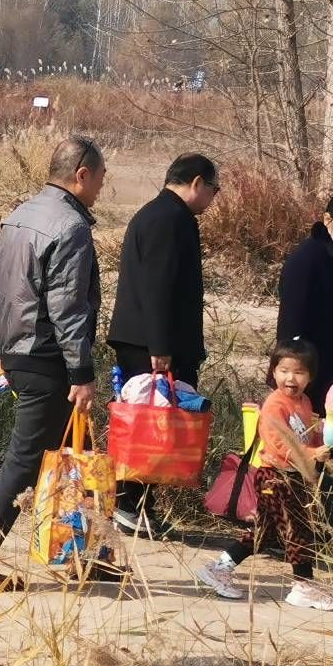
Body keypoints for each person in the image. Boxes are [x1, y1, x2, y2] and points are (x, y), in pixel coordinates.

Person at [0, 135, 116, 592]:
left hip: (18, 353)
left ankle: (84, 553)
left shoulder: (19, 216)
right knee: (25, 462)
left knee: (77, 453)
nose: (102, 188)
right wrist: (81, 373)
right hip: (47, 361)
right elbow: (68, 308)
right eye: (101, 179)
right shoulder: (70, 228)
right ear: (82, 175)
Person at [105, 152, 220, 537]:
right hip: (151, 345)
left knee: (156, 425)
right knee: (147, 425)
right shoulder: (169, 219)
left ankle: (140, 506)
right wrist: (160, 345)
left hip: (150, 340)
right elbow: (158, 285)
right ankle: (128, 504)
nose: (212, 199)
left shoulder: (162, 214)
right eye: (213, 190)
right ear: (197, 183)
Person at [194, 340, 333, 609]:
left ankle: (219, 568)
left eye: (299, 372)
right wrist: (310, 454)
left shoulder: (303, 402)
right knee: (297, 529)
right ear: (273, 372)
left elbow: (303, 433)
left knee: (264, 532)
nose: (290, 378)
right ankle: (303, 586)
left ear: (310, 377)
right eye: (284, 370)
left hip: (291, 475)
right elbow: (279, 443)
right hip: (274, 476)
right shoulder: (275, 405)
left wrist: (323, 434)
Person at [277, 191, 333, 409]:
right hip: (310, 373)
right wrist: (293, 376)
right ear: (327, 220)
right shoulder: (307, 259)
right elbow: (291, 324)